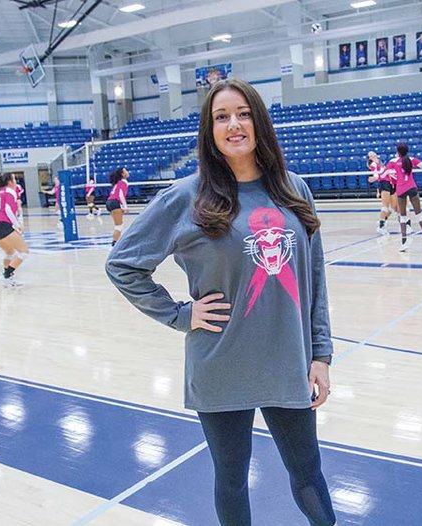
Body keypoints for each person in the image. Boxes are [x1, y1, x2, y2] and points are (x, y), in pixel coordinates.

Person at [106, 78, 336, 526]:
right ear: (209, 131)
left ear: (260, 122)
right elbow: (123, 265)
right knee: (231, 478)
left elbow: (315, 278)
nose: (234, 124)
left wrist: (321, 353)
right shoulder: (185, 196)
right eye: (221, 117)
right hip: (220, 363)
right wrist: (179, 315)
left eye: (244, 113)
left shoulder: (294, 190)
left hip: (287, 359)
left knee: (307, 472)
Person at [385, 144, 422, 251]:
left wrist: (394, 174)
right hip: (412, 187)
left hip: (401, 190)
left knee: (402, 216)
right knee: (419, 214)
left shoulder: (393, 161)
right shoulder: (411, 159)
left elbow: (385, 173)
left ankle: (404, 243)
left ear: (398, 152)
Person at [0, 173, 29, 288]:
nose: (16, 181)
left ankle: (7, 280)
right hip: (2, 225)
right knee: (24, 252)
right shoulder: (10, 191)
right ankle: (6, 275)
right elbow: (7, 209)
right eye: (14, 179)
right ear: (9, 182)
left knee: (10, 253)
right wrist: (18, 225)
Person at [367, 151, 396, 235]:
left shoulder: (380, 163)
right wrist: (373, 179)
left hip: (390, 183)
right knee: (385, 206)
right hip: (384, 183)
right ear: (370, 158)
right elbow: (376, 175)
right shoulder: (373, 164)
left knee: (393, 206)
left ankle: (382, 220)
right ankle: (381, 227)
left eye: (374, 153)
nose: (373, 154)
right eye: (371, 155)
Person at [106, 167, 129, 246]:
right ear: (122, 174)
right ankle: (114, 243)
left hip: (109, 202)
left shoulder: (118, 182)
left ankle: (116, 241)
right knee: (119, 226)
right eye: (126, 171)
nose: (128, 172)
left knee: (119, 224)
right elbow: (121, 195)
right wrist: (125, 207)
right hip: (114, 202)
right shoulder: (124, 182)